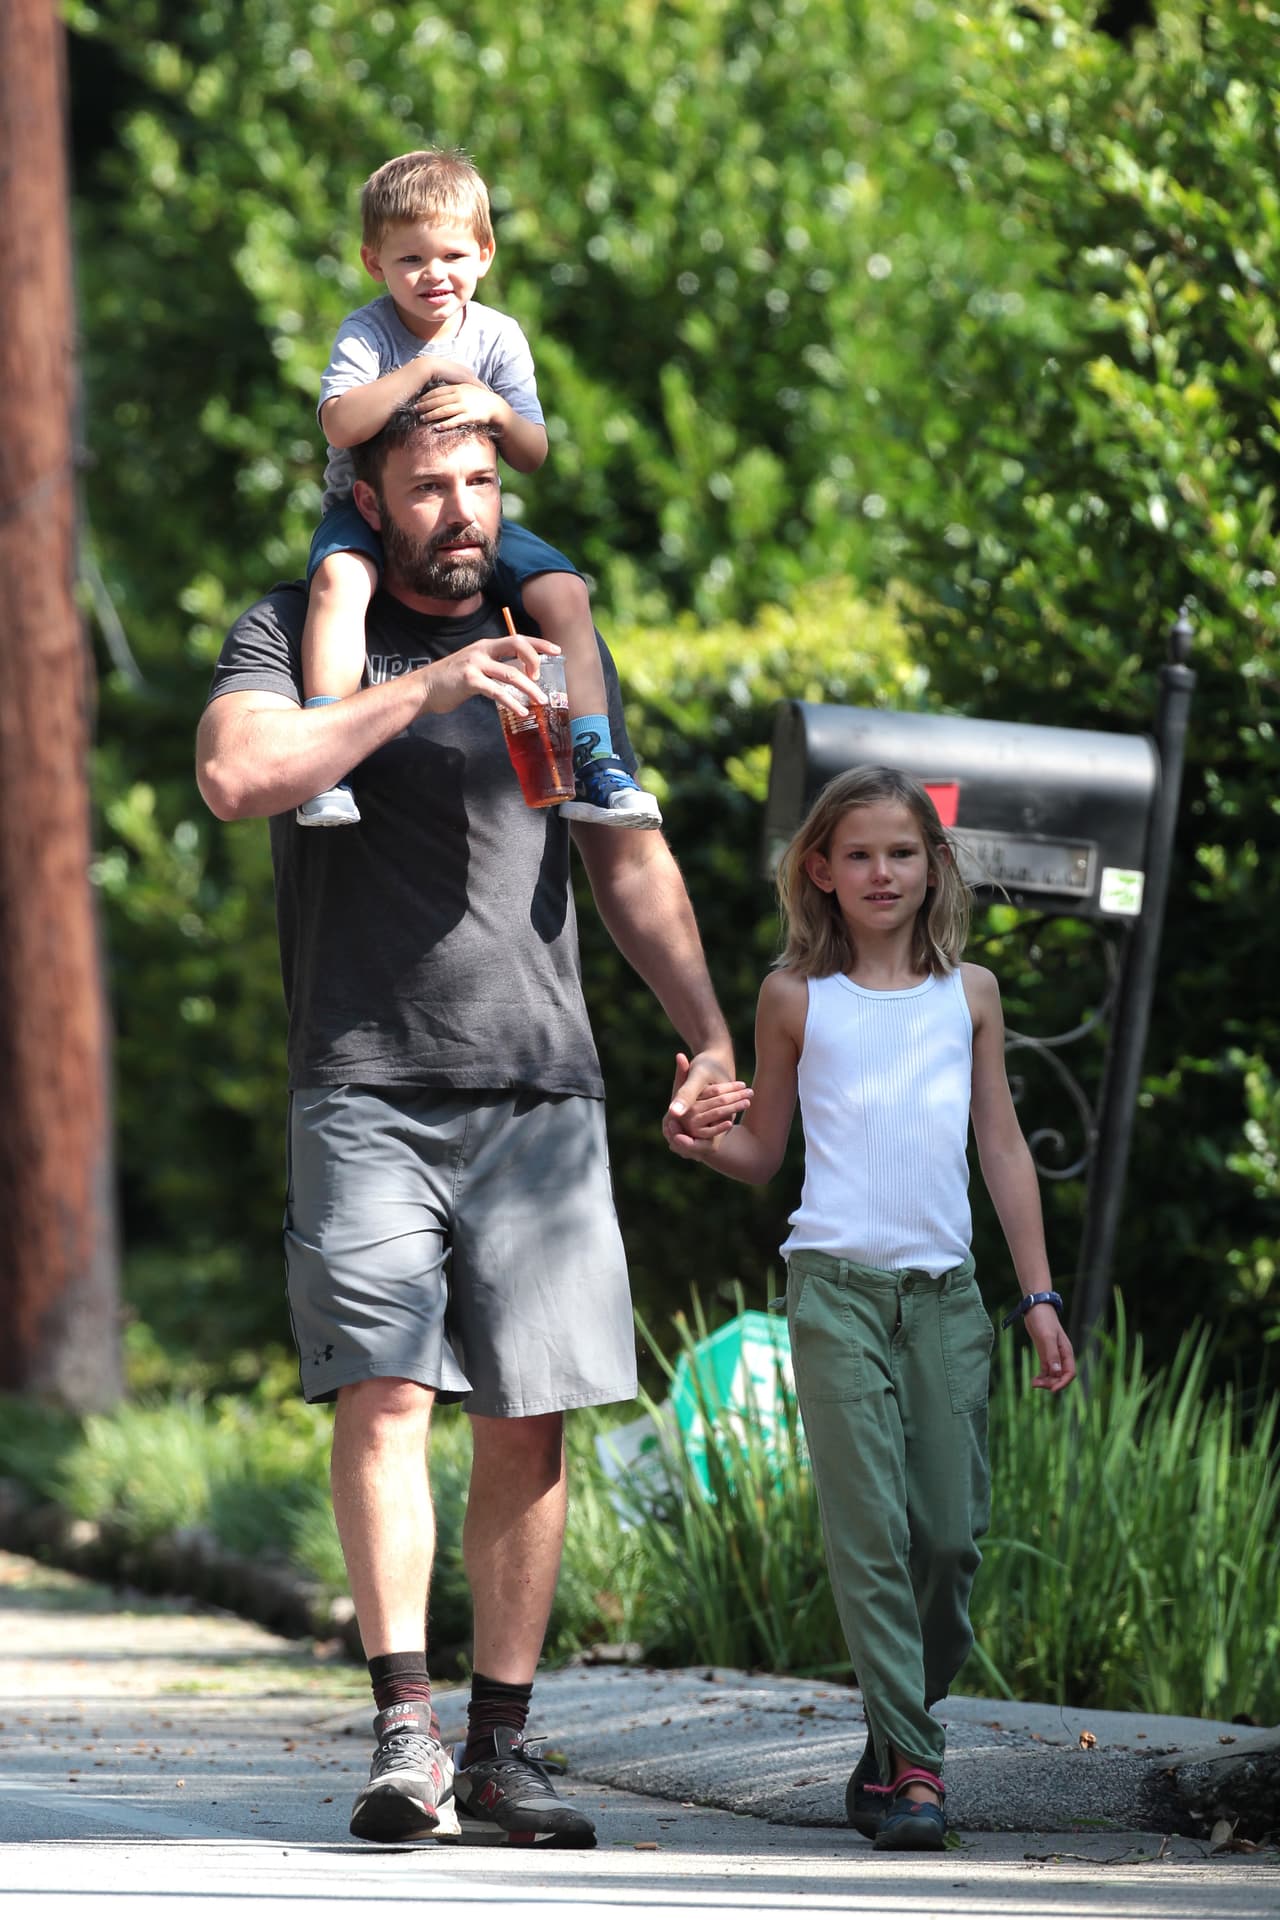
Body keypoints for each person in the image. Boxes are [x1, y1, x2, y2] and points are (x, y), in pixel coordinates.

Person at [195, 387, 733, 1849]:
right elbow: (241, 772)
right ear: (367, 498)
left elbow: (624, 849)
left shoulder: (555, 646)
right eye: (430, 486)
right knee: (383, 1396)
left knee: (528, 1423)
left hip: (540, 1088)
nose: (463, 511)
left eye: (482, 481)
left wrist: (705, 1033)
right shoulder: (295, 628)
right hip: (363, 1080)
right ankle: (406, 1737)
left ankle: (501, 1751)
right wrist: (417, 694)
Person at [664, 766, 1076, 1852]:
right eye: (857, 854)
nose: (880, 871)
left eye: (900, 851)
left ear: (930, 863)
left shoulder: (969, 993)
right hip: (833, 1290)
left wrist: (1036, 1298)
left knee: (946, 1539)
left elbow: (999, 1148)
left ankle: (887, 1746)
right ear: (819, 871)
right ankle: (918, 1770)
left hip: (945, 1300)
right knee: (869, 1539)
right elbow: (762, 1154)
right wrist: (698, 1141)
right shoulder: (794, 998)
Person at [297, 145, 659, 832]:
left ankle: (597, 759)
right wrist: (422, 371)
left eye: (453, 257)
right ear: (376, 263)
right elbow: (341, 425)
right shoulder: (367, 334)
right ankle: (325, 755)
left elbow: (532, 452)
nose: (434, 275)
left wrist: (493, 408)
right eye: (411, 260)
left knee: (565, 592)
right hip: (373, 516)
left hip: (468, 518)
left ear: (484, 255)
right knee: (339, 582)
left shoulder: (497, 335)